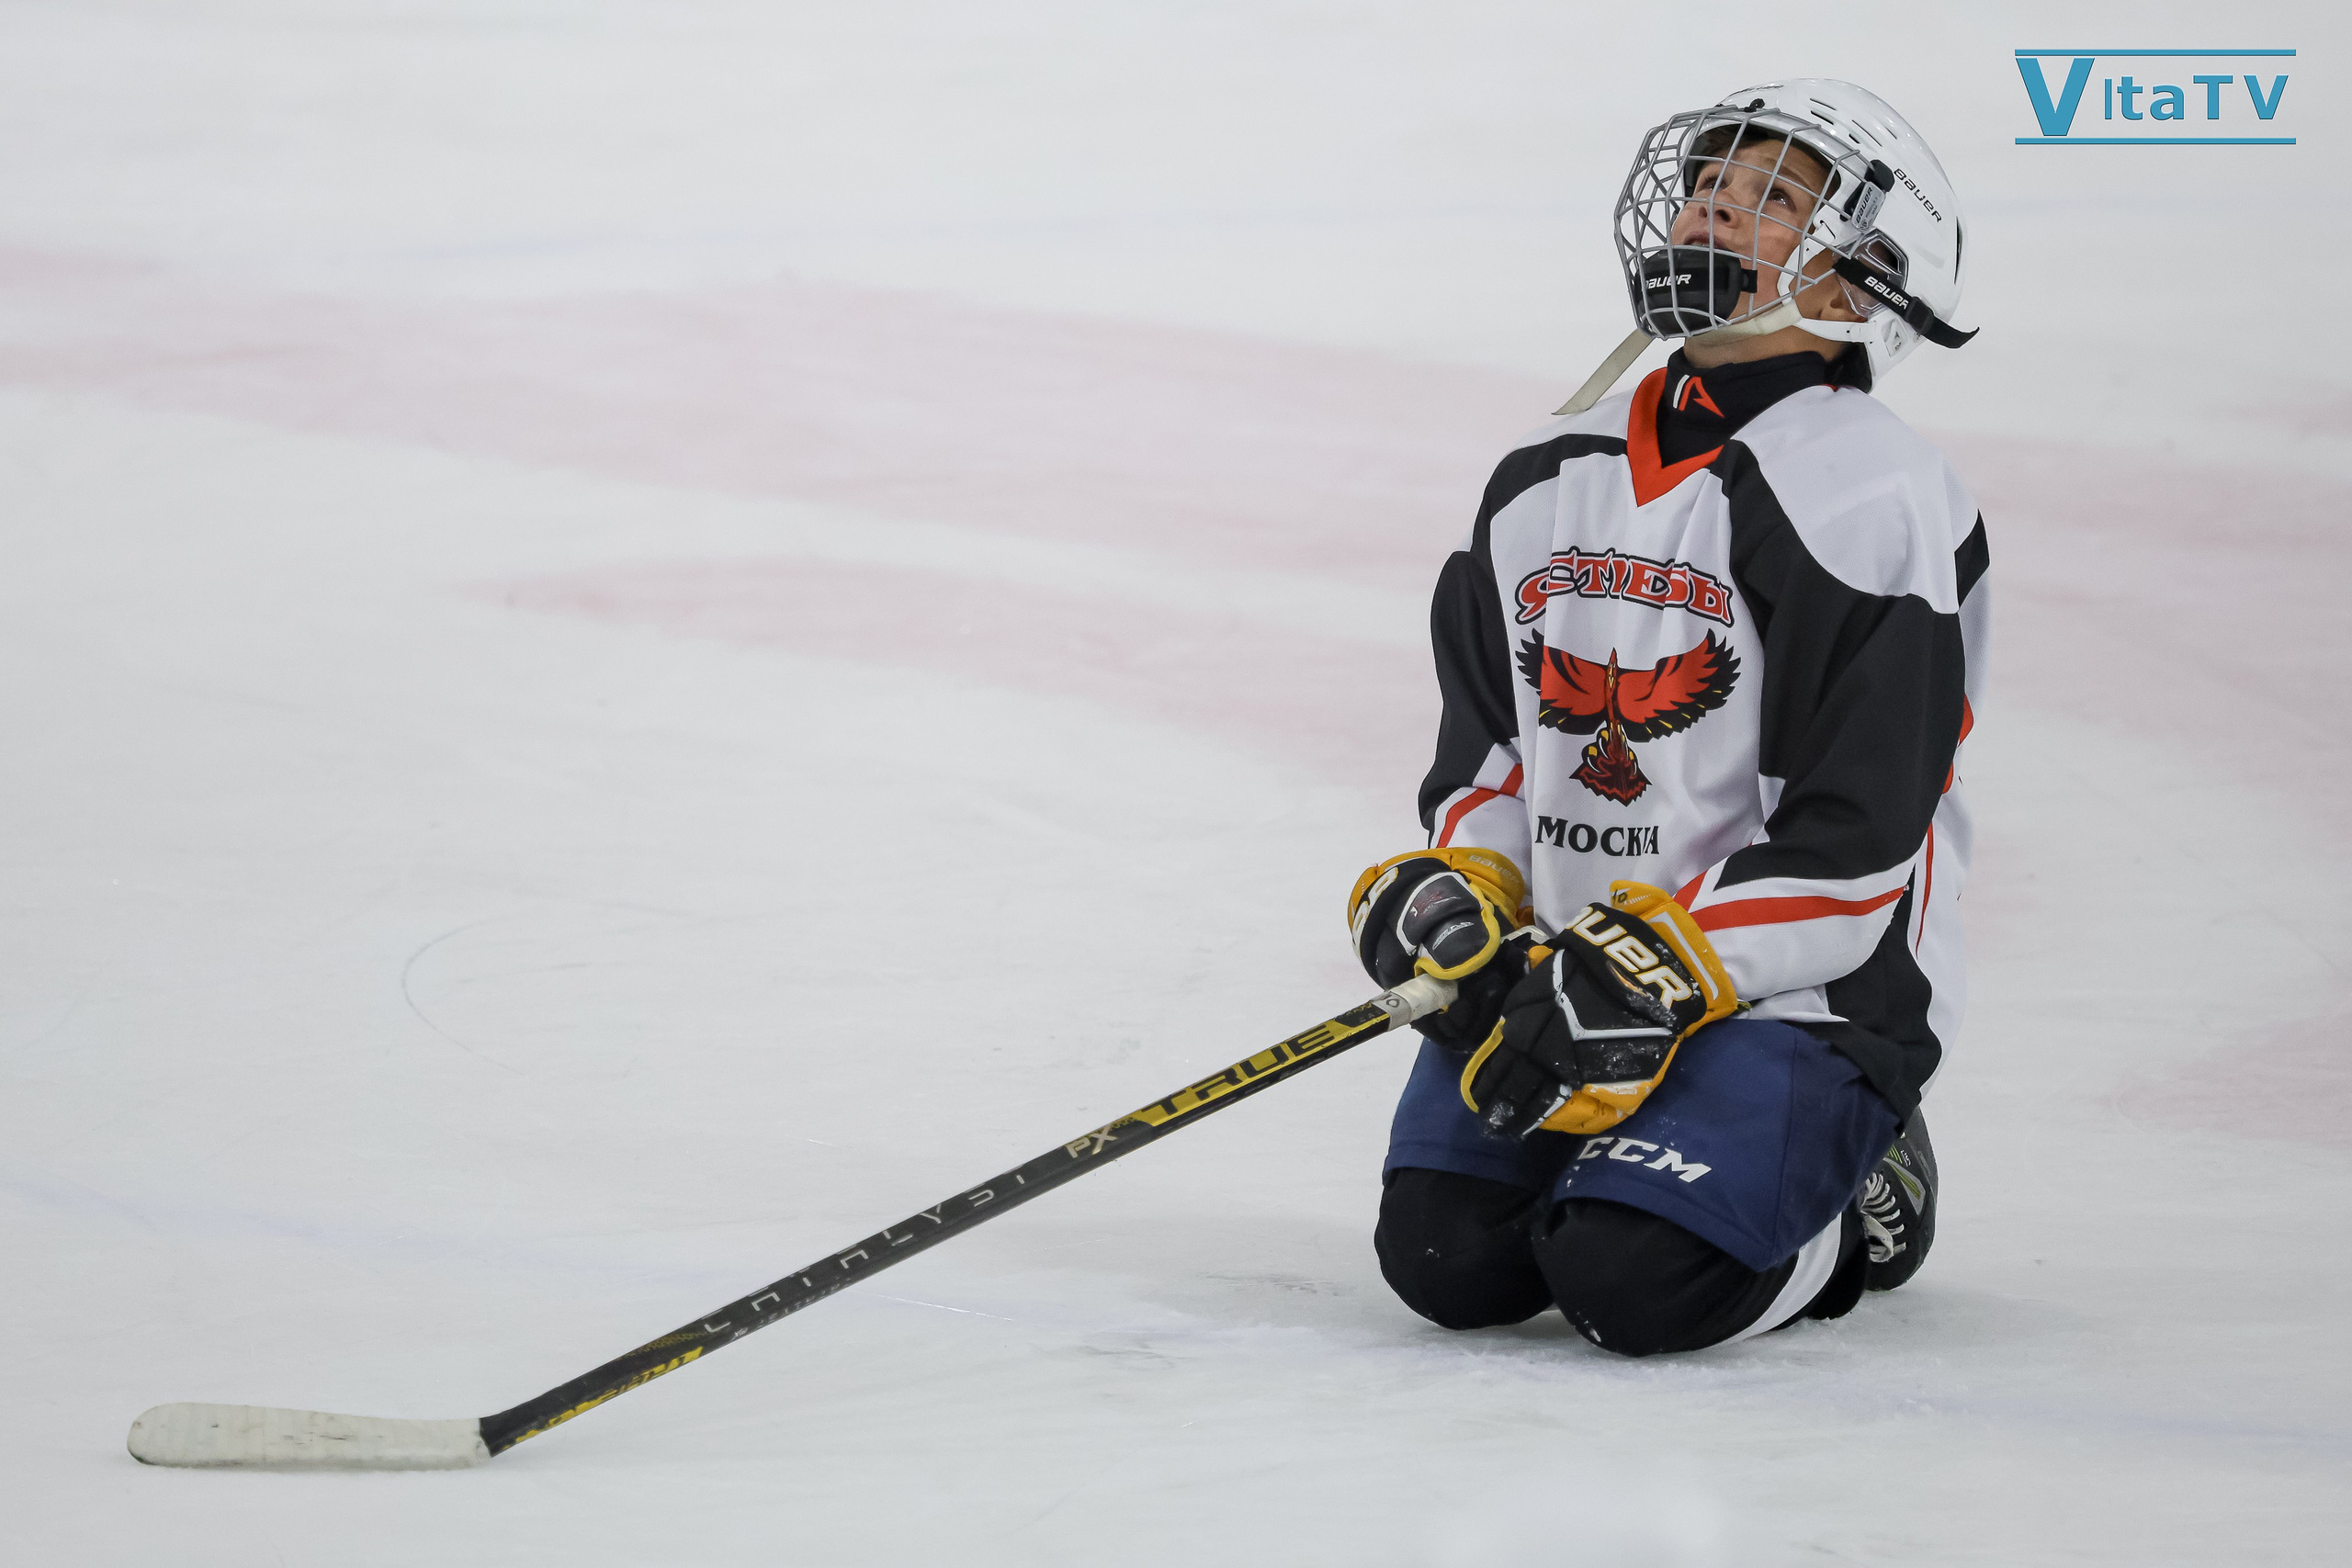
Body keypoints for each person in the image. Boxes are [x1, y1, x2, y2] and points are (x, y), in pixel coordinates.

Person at [1346, 80, 1984, 1354]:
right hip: (1568, 973)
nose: (1712, 208)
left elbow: (1859, 841)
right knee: (1447, 1259)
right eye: (1709, 184)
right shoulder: (1548, 466)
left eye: (1771, 198)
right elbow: (1488, 747)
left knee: (1638, 1284)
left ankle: (1857, 1182)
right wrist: (1467, 883)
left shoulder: (1872, 497)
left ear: (1859, 284)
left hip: (1795, 990)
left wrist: (1666, 968)